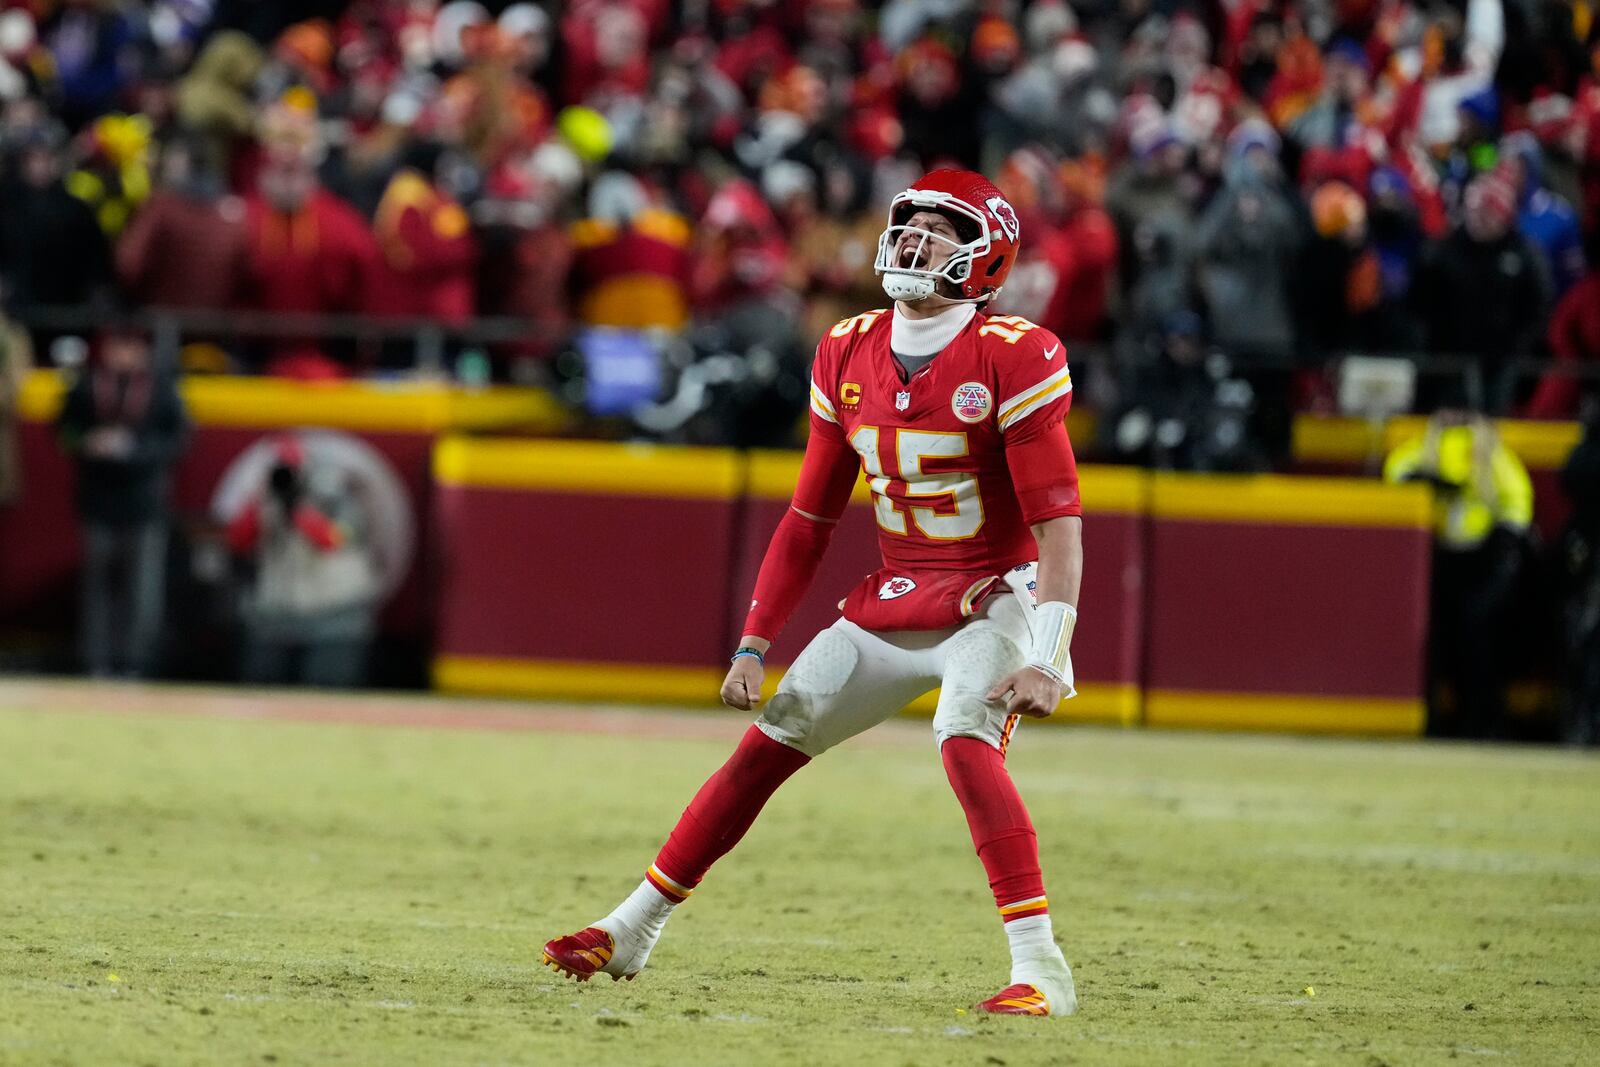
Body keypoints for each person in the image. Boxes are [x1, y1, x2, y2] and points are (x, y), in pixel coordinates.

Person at [544, 169, 1085, 1017]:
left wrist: (1048, 656)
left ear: (986, 257)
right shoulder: (846, 347)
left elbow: (1060, 526)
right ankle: (632, 926)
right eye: (908, 225)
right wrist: (755, 640)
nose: (915, 241)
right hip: (901, 588)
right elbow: (808, 518)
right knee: (772, 736)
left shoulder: (1015, 353)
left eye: (941, 231)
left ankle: (1040, 969)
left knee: (961, 734)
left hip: (994, 590)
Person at [1384, 412, 1533, 738]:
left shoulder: (1439, 445)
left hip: (1474, 559)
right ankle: (1470, 720)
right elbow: (1518, 500)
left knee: (1466, 640)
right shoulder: (1479, 449)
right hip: (1446, 558)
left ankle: (1469, 718)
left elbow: (1395, 472)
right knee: (1462, 641)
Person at [56, 322, 190, 678]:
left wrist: (136, 452)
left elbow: (179, 440)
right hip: (98, 500)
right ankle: (95, 660)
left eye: (131, 347)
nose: (123, 355)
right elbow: (62, 433)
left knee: (142, 590)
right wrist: (86, 443)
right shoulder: (87, 387)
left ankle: (136, 662)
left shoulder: (161, 390)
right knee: (96, 587)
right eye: (117, 346)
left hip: (144, 501)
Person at [225, 434, 381, 689]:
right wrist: (263, 502)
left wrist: (299, 510)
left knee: (327, 689)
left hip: (335, 615)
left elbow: (334, 540)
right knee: (262, 689)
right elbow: (238, 540)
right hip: (277, 615)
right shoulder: (265, 502)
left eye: (293, 471)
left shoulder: (338, 499)